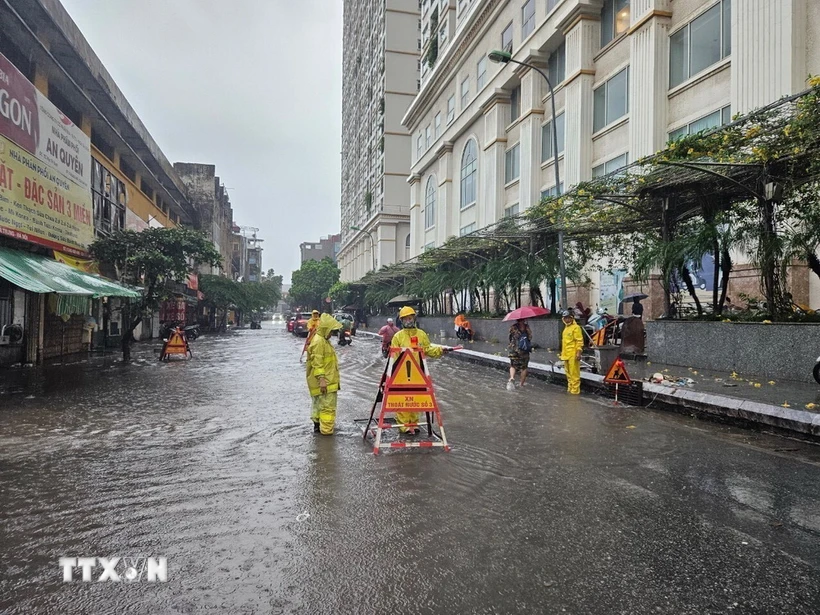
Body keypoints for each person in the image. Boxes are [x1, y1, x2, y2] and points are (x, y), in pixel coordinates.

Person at [391, 306, 453, 434]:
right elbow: (394, 357)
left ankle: (414, 423)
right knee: (402, 400)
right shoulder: (397, 337)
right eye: (405, 318)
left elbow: (428, 349)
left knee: (416, 399)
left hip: (418, 374)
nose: (408, 320)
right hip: (402, 375)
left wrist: (441, 350)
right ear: (401, 321)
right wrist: (393, 376)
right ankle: (404, 426)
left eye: (410, 317)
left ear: (414, 318)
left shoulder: (421, 334)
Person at [306, 314, 343, 435]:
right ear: (325, 329)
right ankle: (326, 432)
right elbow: (317, 363)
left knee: (318, 406)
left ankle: (318, 428)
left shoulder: (322, 340)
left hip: (322, 382)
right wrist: (322, 379)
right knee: (327, 408)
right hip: (326, 382)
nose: (331, 334)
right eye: (331, 331)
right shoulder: (319, 342)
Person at [560, 310, 584, 395]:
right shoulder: (566, 328)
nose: (566, 320)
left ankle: (575, 392)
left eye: (568, 318)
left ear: (572, 318)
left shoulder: (576, 328)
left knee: (574, 375)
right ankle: (570, 390)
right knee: (568, 375)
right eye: (565, 318)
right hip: (566, 355)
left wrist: (578, 352)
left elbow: (579, 341)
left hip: (573, 355)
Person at [507, 319, 533, 389]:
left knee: (513, 365)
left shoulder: (513, 328)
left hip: (514, 350)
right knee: (524, 368)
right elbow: (530, 338)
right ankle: (521, 384)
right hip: (524, 351)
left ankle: (512, 377)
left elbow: (510, 338)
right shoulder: (527, 328)